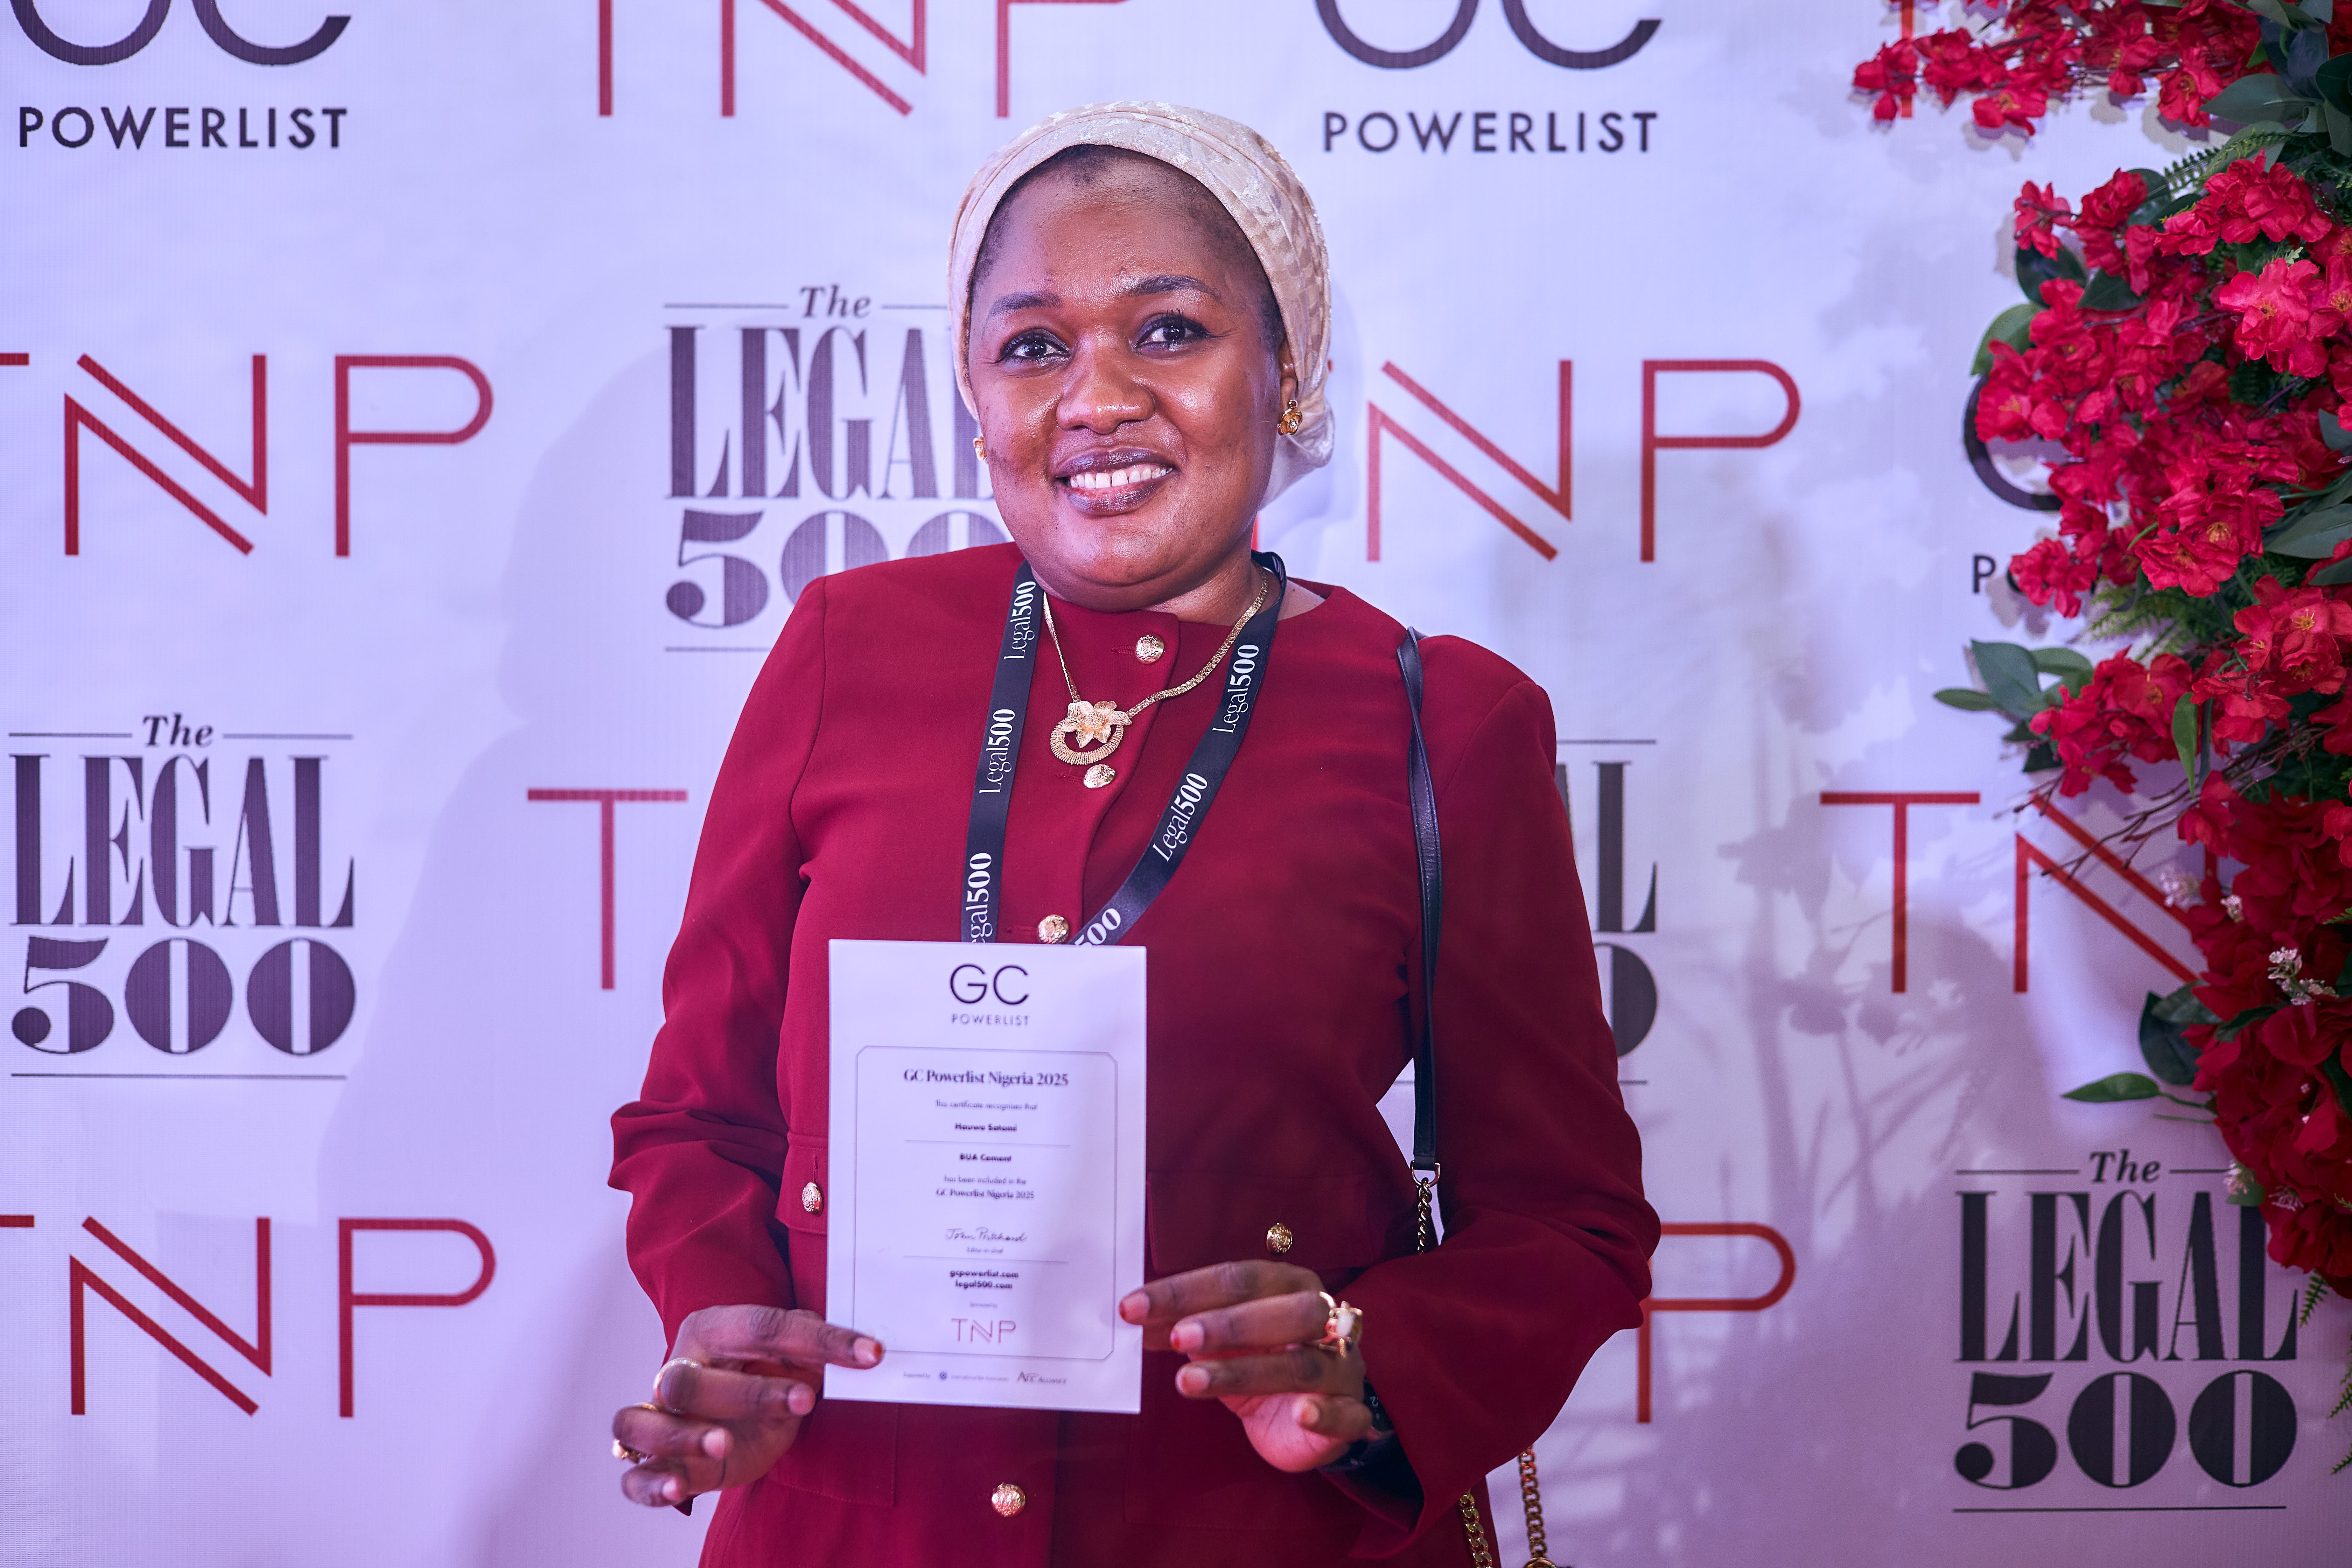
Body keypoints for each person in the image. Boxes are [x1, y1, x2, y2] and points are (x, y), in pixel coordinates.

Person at [608, 101, 1655, 1567]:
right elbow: (699, 1114)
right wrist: (725, 1326)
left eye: (1170, 331)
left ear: (1286, 369)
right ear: (976, 396)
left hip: (1253, 1530)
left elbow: (1568, 1217)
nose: (1096, 397)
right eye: (1034, 346)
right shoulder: (848, 646)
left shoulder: (1446, 722)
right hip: (863, 1523)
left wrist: (1371, 1372)